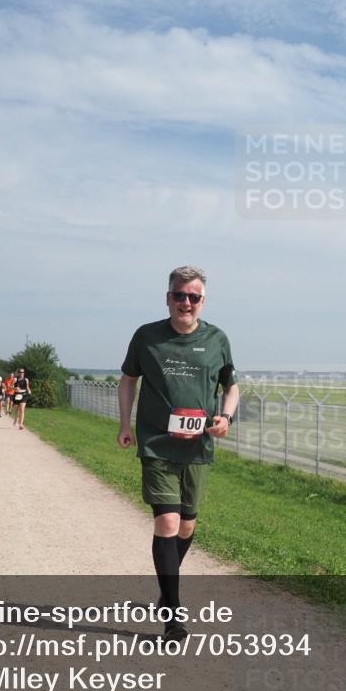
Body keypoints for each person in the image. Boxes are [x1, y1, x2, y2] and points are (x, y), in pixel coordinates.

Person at [117, 265, 239, 641]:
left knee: (187, 526)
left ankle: (165, 586)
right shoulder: (147, 337)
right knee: (167, 524)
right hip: (157, 442)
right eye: (179, 295)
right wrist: (125, 424)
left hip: (198, 446)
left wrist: (226, 418)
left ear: (203, 301)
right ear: (167, 297)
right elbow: (127, 380)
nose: (186, 302)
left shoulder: (217, 339)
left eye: (193, 297)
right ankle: (173, 616)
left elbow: (231, 387)